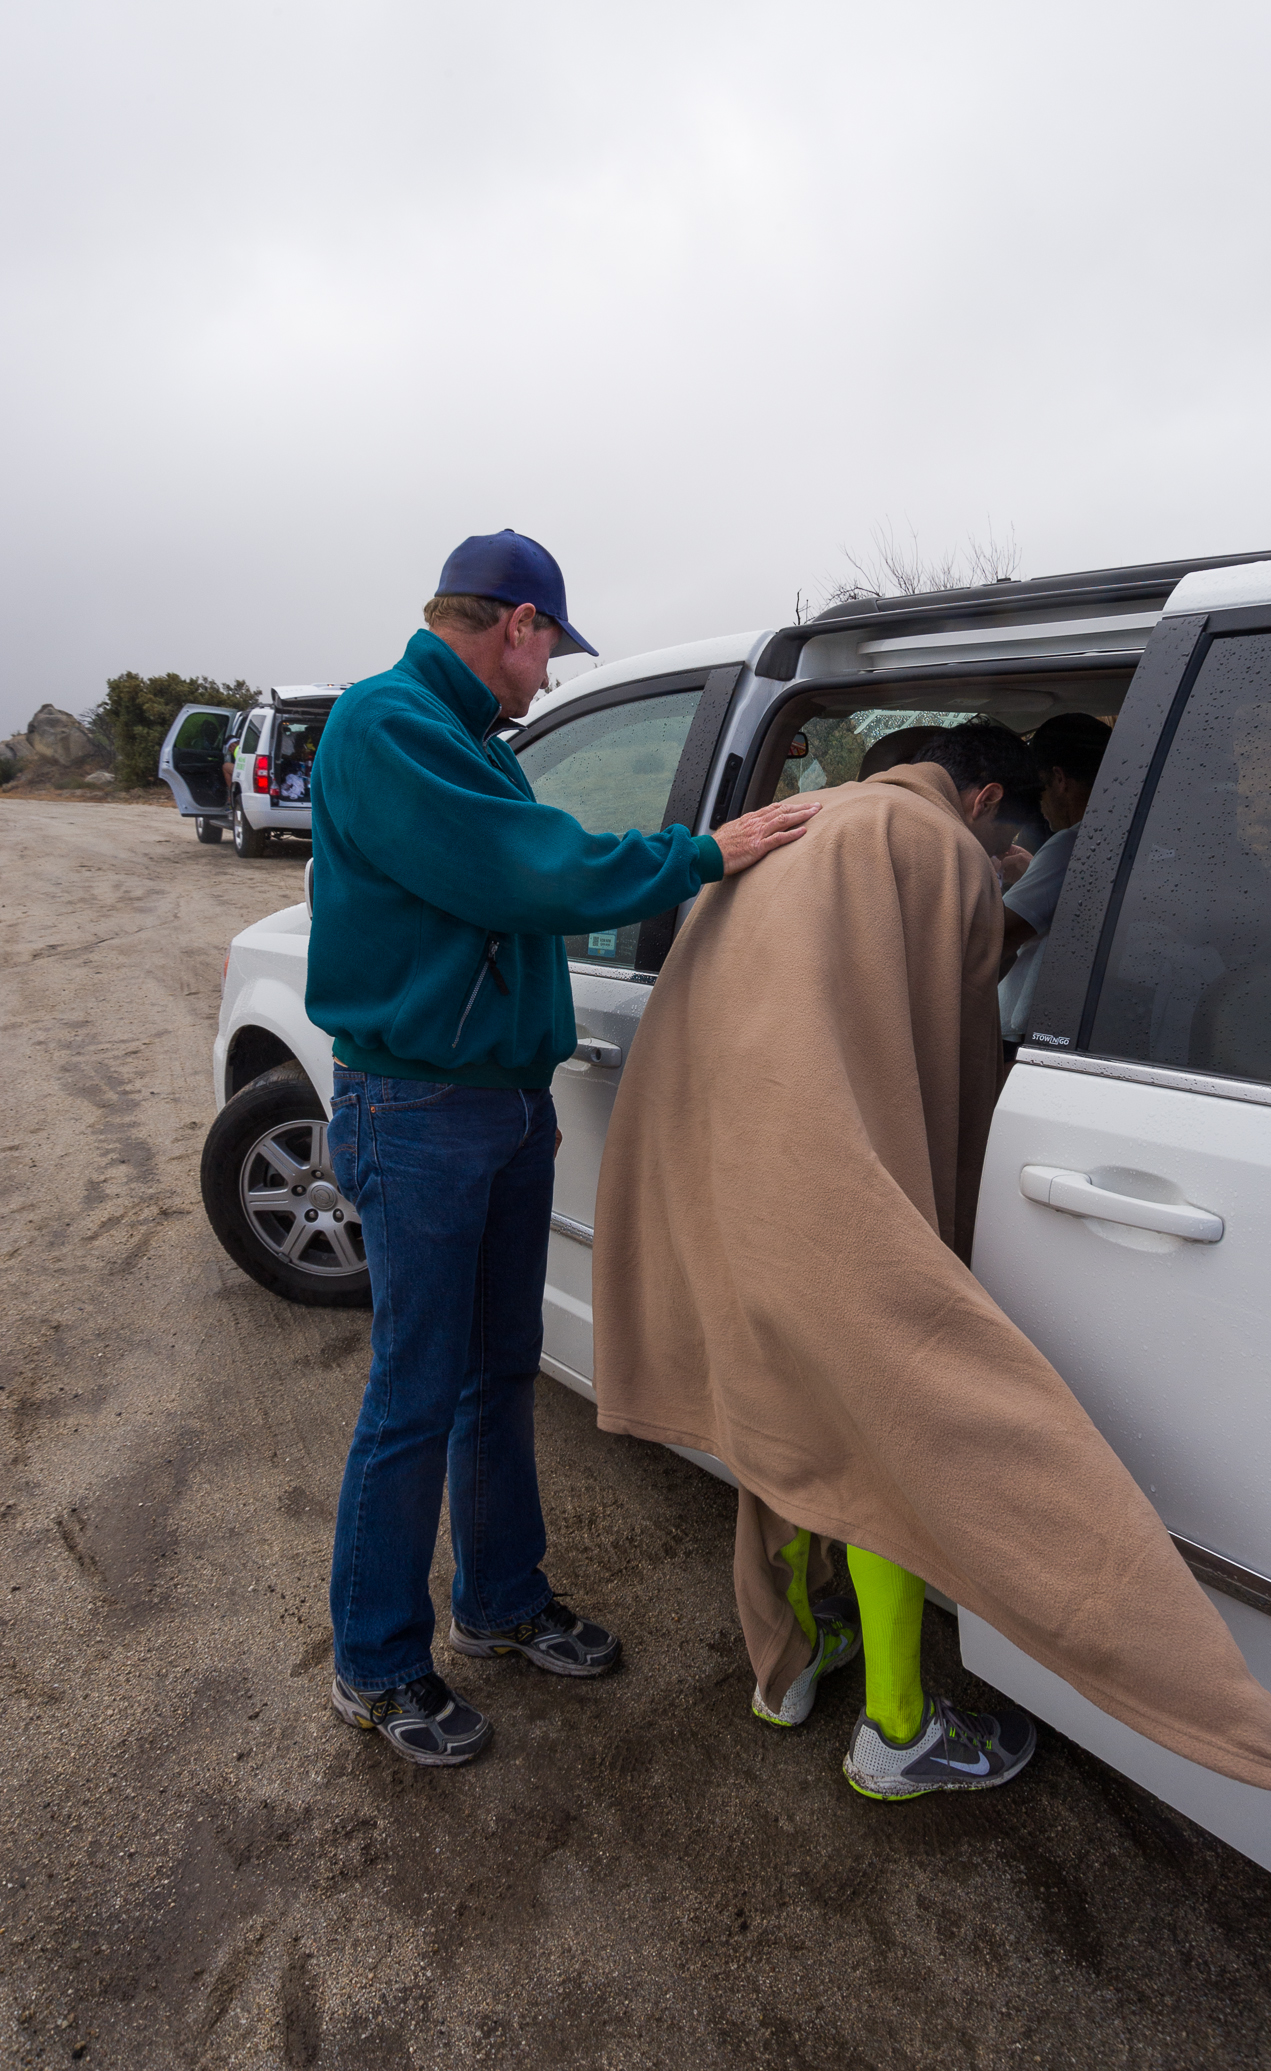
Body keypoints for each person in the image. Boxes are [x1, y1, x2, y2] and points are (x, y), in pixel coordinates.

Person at [591, 721, 1271, 1808]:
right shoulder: (923, 842)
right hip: (826, 1184)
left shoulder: (799, 818)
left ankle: (785, 1666)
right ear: (980, 804)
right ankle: (896, 1730)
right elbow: (955, 1017)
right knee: (890, 1433)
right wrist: (990, 891)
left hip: (701, 1163)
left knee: (784, 1414)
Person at [306, 529, 821, 1768]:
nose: (547, 682)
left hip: (496, 1100)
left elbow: (510, 881)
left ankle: (499, 1601)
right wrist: (703, 854)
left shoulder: (470, 739)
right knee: (414, 1391)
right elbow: (523, 871)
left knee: (498, 1368)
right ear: (515, 626)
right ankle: (375, 1664)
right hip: (419, 1108)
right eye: (547, 653)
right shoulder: (389, 727)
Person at [998, 715, 1113, 1054]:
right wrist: (1033, 873)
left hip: (1040, 1032)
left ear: (1059, 779)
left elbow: (994, 939)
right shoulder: (1127, 837)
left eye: (1040, 788)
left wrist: (989, 879)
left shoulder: (1073, 846)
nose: (1040, 803)